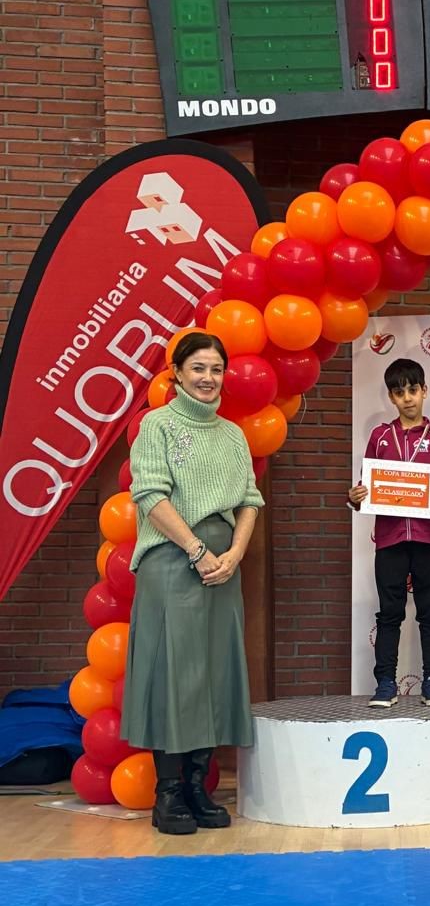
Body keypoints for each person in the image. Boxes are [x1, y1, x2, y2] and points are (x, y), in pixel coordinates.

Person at [122, 332, 265, 836]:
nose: (208, 378)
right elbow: (150, 495)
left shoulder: (233, 434)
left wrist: (235, 554)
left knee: (214, 671)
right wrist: (197, 551)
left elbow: (249, 499)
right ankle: (168, 793)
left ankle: (198, 788)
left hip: (224, 565)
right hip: (172, 560)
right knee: (174, 671)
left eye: (216, 369)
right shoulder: (156, 425)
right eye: (198, 368)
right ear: (177, 373)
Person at [348, 358, 430, 708]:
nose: (408, 398)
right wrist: (356, 496)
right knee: (389, 612)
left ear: (424, 391)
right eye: (399, 393)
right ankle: (386, 681)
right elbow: (368, 485)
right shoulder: (380, 437)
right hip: (390, 539)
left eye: (413, 390)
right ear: (391, 397)